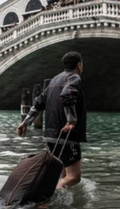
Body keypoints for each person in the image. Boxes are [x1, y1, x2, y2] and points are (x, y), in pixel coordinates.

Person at [17, 51, 86, 189]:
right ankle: (47, 195)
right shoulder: (74, 78)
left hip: (51, 135)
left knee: (62, 174)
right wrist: (71, 121)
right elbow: (68, 95)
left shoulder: (54, 80)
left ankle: (57, 201)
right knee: (73, 177)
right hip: (66, 134)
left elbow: (38, 103)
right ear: (79, 65)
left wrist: (25, 123)